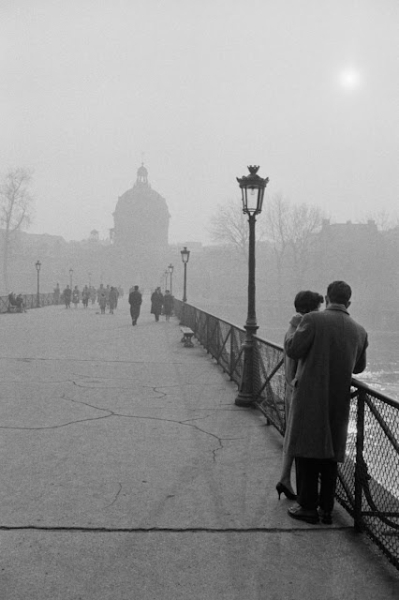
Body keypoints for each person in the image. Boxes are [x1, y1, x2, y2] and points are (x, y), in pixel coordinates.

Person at [284, 281, 368, 525]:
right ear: (348, 302)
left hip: (310, 396)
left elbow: (293, 349)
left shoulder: (312, 320)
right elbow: (359, 367)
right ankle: (327, 509)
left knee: (306, 450)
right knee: (331, 454)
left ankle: (307, 507)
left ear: (327, 297)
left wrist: (292, 327)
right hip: (338, 400)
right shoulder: (359, 330)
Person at [276, 290, 324, 501]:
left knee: (291, 435)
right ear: (310, 309)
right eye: (317, 309)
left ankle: (285, 478)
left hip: (290, 387)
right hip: (300, 390)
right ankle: (287, 479)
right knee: (297, 438)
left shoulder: (292, 326)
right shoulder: (301, 328)